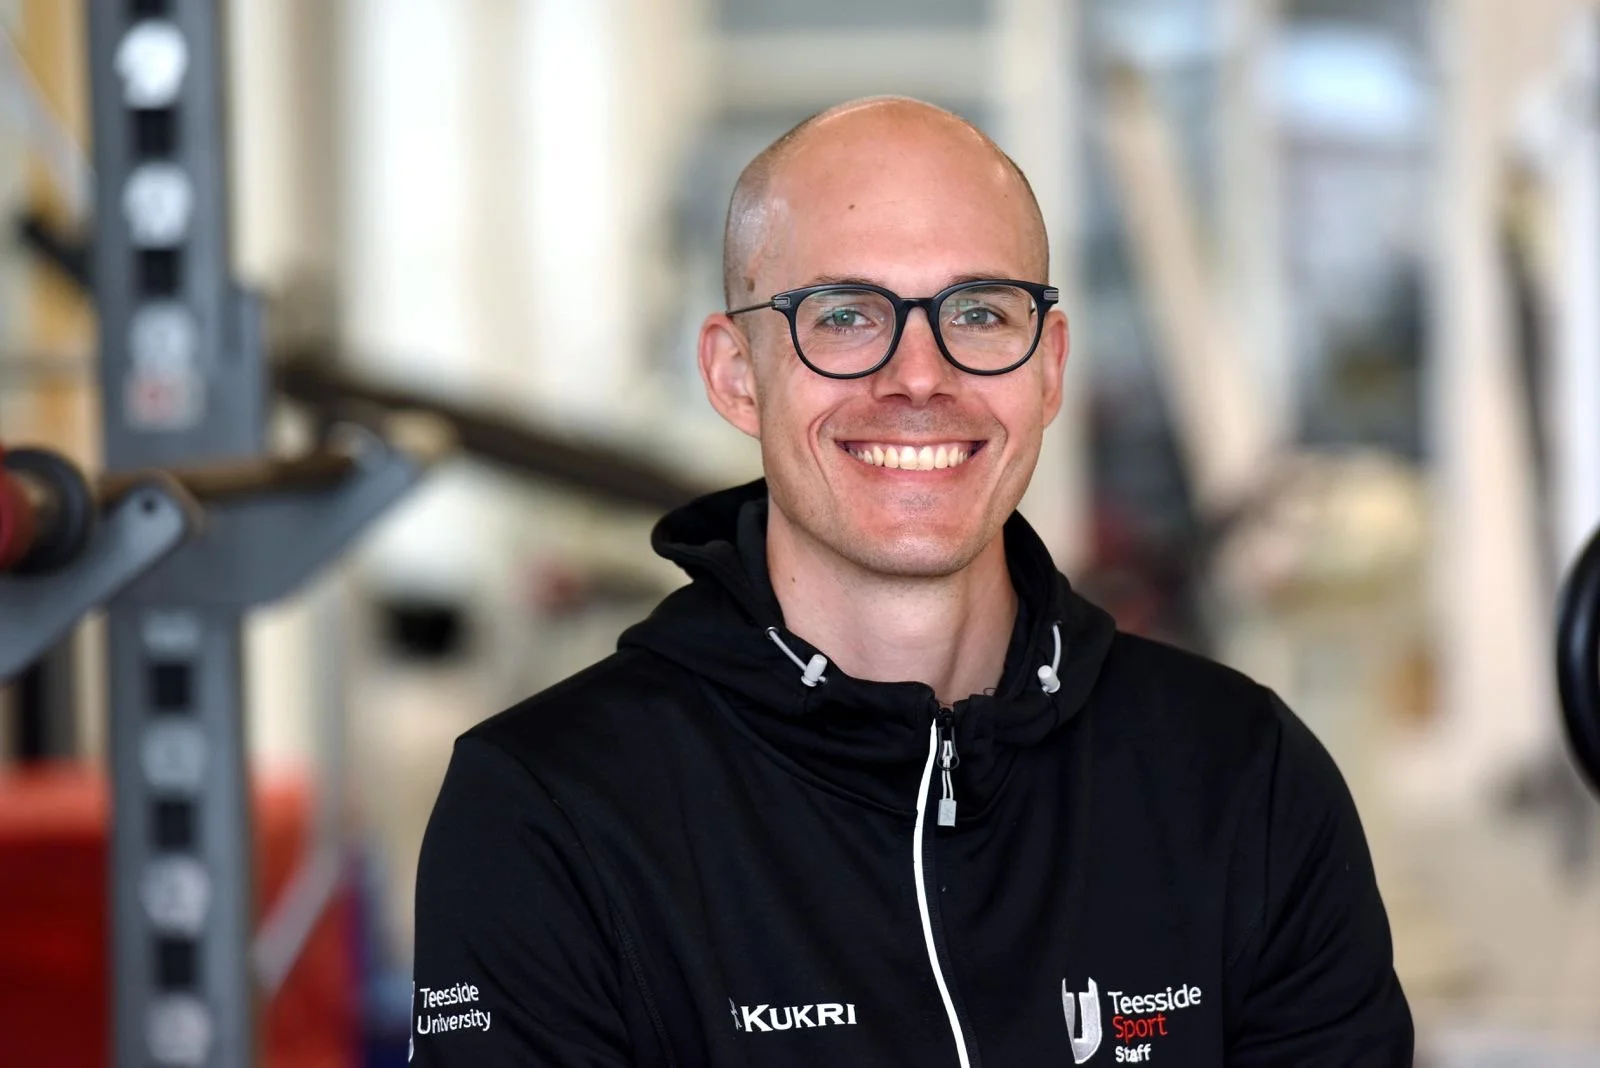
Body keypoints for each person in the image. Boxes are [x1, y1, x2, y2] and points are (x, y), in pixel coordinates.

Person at [410, 97, 1413, 1067]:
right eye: (844, 315)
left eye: (977, 311)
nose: (920, 376)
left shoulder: (1243, 778)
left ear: (1049, 365)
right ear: (734, 374)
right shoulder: (548, 810)